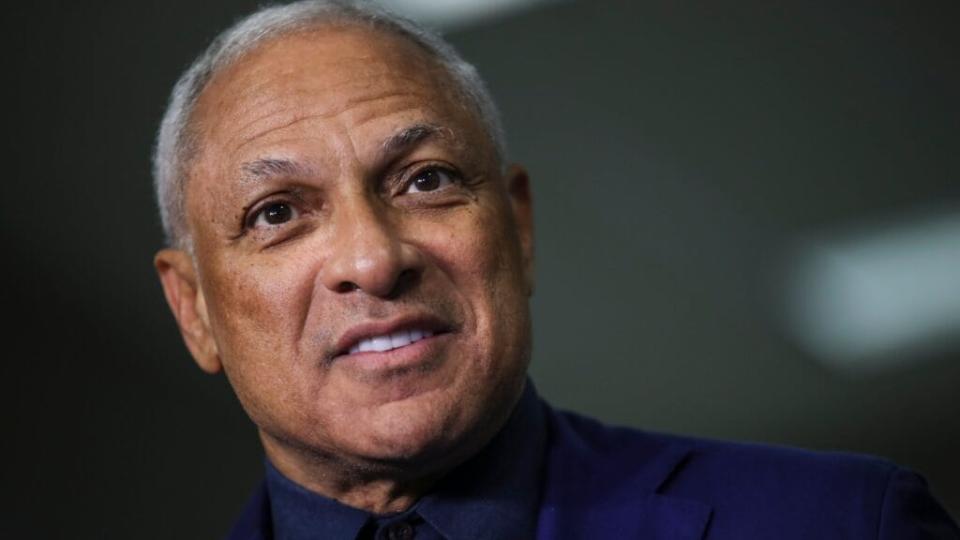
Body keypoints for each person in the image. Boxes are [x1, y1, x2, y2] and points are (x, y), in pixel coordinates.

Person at [151, 1, 959, 538]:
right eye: (278, 214)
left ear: (520, 228)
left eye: (426, 180)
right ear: (194, 311)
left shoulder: (845, 521)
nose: (372, 258)